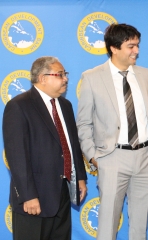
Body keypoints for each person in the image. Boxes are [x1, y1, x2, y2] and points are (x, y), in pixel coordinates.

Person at [77, 23, 148, 240]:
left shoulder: (145, 74)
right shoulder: (92, 77)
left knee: (140, 225)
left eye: (137, 45)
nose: (136, 50)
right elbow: (83, 123)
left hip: (146, 157)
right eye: (131, 46)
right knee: (108, 224)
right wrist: (94, 156)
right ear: (113, 48)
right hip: (112, 157)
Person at [3, 56, 87, 240]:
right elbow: (17, 157)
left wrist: (79, 177)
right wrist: (28, 196)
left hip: (62, 194)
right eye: (60, 75)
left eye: (65, 74)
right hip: (34, 199)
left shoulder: (65, 105)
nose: (65, 79)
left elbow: (72, 144)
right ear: (42, 78)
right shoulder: (18, 106)